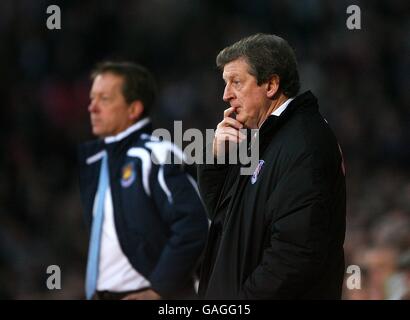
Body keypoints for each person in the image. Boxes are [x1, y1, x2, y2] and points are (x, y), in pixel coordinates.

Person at [197, 34, 346, 299]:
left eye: (236, 82)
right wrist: (216, 159)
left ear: (271, 84)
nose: (225, 95)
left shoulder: (305, 142)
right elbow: (223, 220)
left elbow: (295, 254)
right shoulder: (261, 137)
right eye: (225, 83)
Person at [78, 61, 208, 300]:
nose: (92, 108)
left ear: (133, 109)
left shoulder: (156, 154)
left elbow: (195, 225)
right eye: (92, 98)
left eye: (104, 99)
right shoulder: (95, 161)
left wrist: (159, 288)